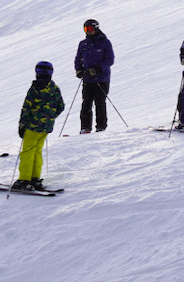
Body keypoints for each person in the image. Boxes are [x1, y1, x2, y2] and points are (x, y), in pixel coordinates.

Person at [13, 61, 65, 191]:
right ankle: (35, 178)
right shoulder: (54, 88)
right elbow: (61, 106)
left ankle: (24, 179)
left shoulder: (35, 89)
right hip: (45, 127)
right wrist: (49, 117)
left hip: (32, 126)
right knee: (37, 152)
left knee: (27, 152)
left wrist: (22, 125)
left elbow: (26, 108)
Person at [74, 18, 115, 133]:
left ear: (96, 28)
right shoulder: (83, 44)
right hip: (87, 79)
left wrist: (98, 69)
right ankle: (85, 128)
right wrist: (79, 70)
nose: (88, 31)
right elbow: (78, 59)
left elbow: (110, 59)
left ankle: (101, 127)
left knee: (100, 103)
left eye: (90, 29)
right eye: (86, 29)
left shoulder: (105, 42)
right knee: (86, 103)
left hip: (101, 79)